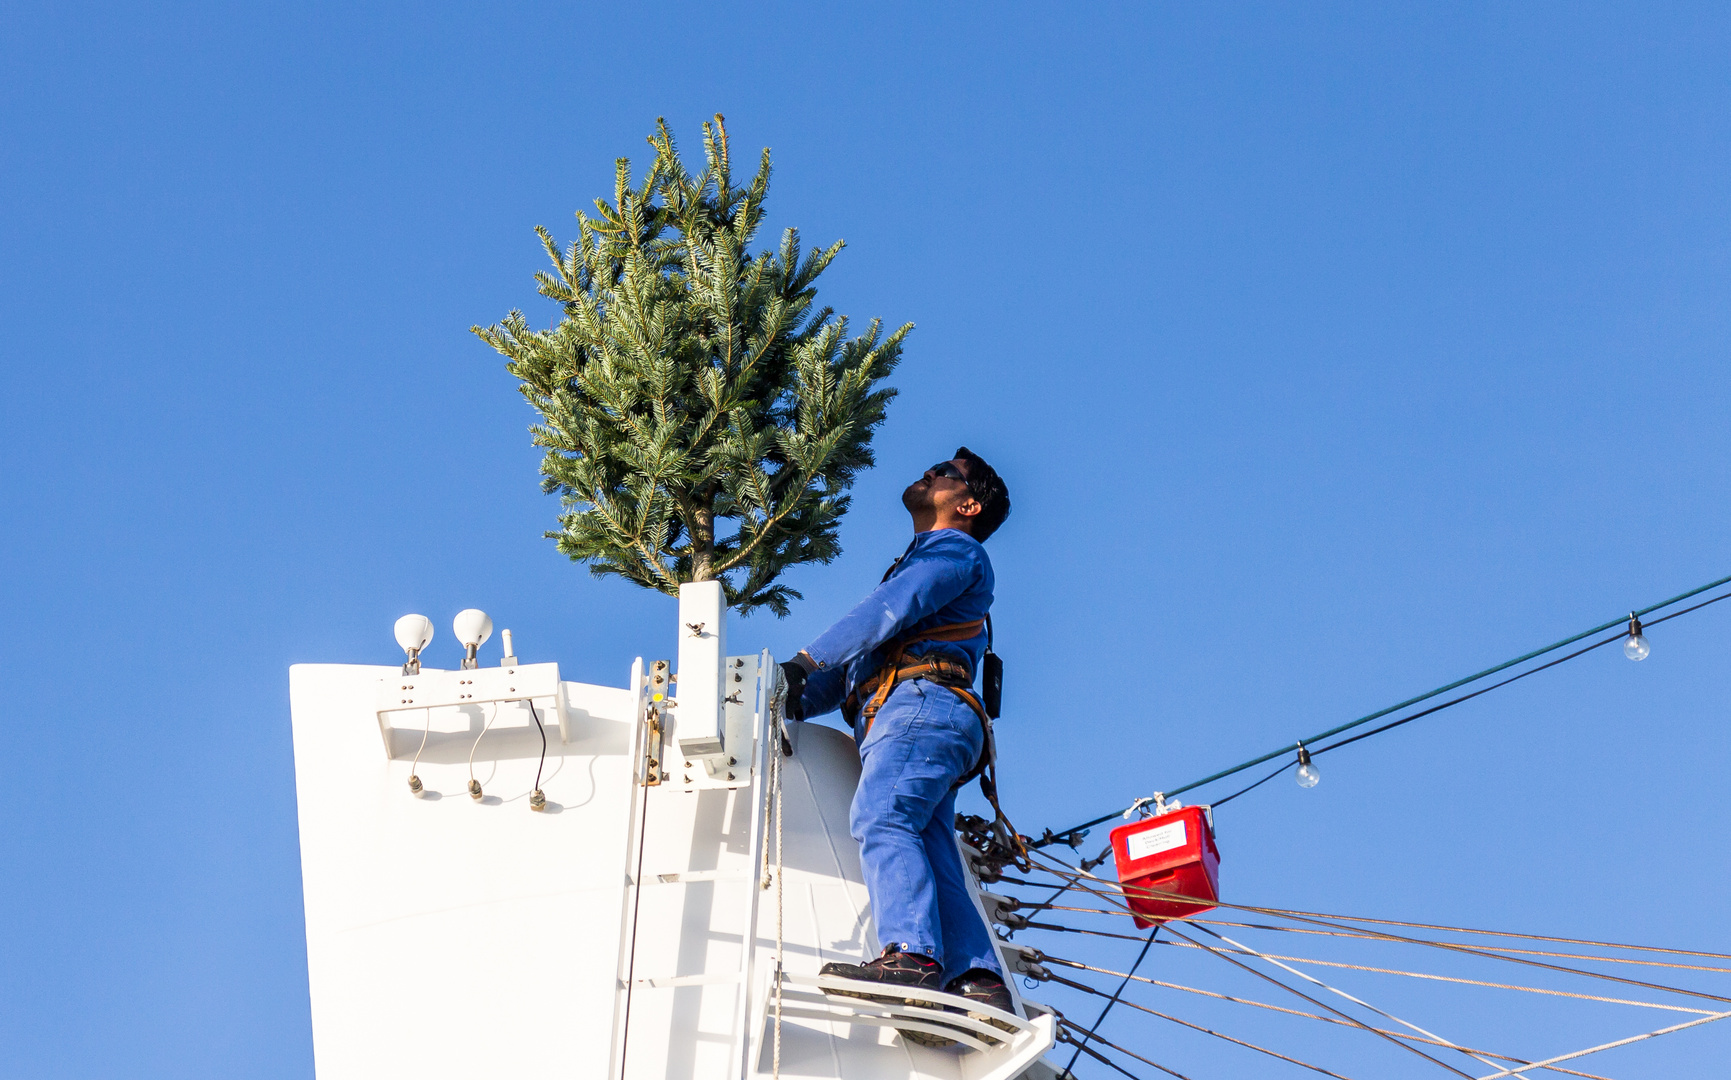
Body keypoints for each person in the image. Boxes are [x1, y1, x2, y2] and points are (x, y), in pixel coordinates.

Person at [779, 447, 1014, 1022]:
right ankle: (979, 981)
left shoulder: (955, 550)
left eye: (947, 474)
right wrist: (784, 697)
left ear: (969, 503)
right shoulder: (930, 568)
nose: (931, 470)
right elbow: (856, 670)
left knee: (882, 818)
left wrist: (803, 662)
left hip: (919, 708)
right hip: (919, 712)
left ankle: (910, 956)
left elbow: (886, 609)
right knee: (929, 847)